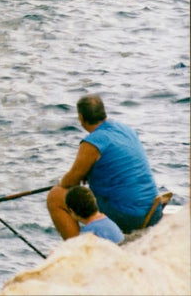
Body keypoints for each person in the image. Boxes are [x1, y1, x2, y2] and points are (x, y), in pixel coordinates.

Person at [46, 94, 162, 240]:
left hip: (131, 216)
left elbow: (70, 182)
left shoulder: (93, 142)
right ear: (103, 112)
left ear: (81, 118)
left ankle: (77, 253)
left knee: (55, 196)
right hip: (153, 211)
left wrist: (66, 180)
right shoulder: (126, 130)